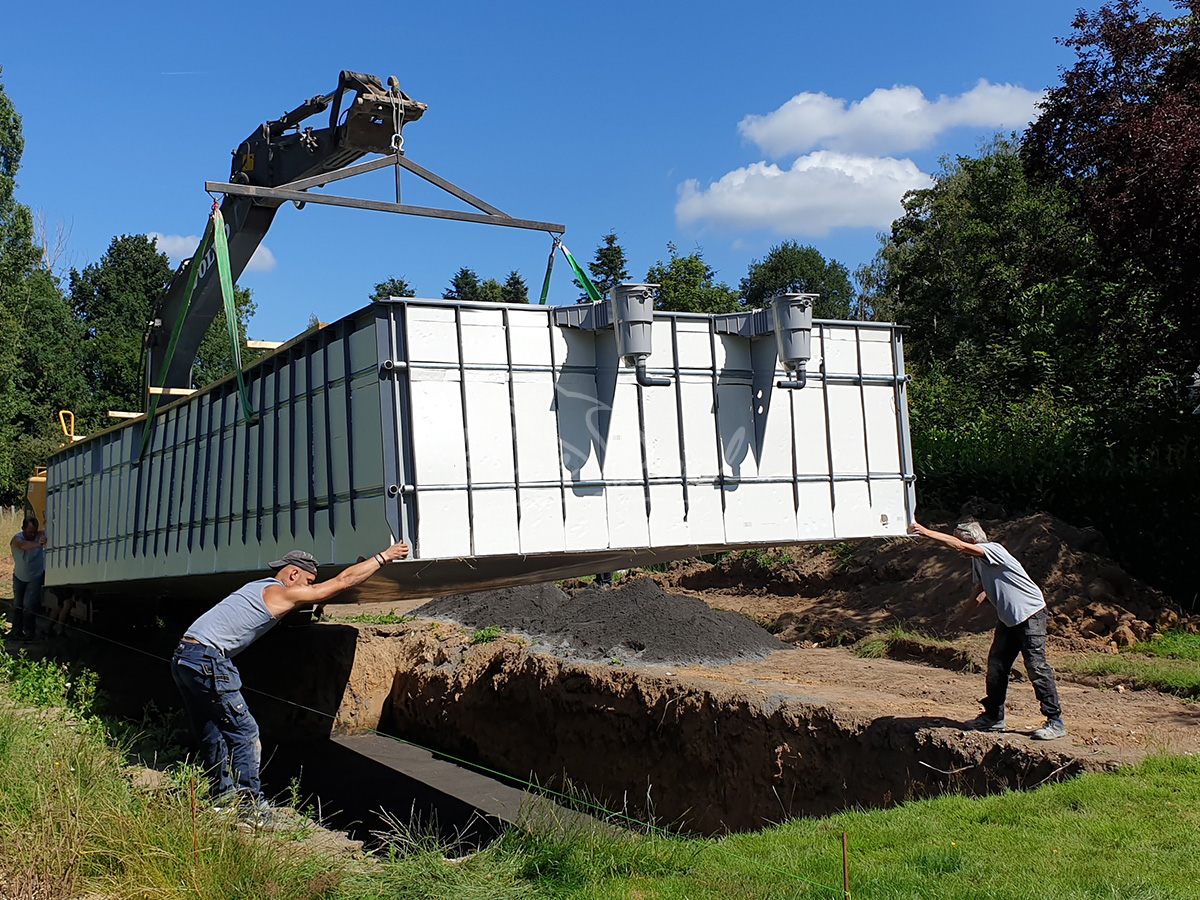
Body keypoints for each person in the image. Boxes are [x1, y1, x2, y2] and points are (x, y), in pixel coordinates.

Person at [171, 540, 410, 826]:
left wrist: (314, 601)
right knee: (244, 733)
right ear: (294, 574)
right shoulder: (284, 592)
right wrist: (384, 557)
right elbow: (343, 581)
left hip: (185, 657)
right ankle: (250, 811)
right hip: (209, 659)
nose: (309, 588)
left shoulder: (257, 588)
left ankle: (222, 799)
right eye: (309, 581)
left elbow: (283, 610)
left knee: (213, 731)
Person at [908, 519, 1066, 741]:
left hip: (1030, 614)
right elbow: (980, 590)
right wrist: (961, 617)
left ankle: (1055, 721)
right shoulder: (978, 561)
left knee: (1036, 667)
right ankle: (993, 718)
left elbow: (960, 546)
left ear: (972, 540)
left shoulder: (993, 550)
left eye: (961, 539)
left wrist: (925, 532)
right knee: (997, 667)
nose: (959, 548)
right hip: (1009, 619)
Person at [9, 516, 48, 642]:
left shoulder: (39, 535)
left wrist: (43, 534)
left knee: (29, 606)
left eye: (34, 531)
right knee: (18, 605)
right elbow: (24, 546)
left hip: (35, 576)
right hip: (19, 576)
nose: (32, 534)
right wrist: (38, 543)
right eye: (29, 531)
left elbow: (45, 532)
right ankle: (16, 632)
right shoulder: (17, 539)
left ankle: (30, 634)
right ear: (23, 529)